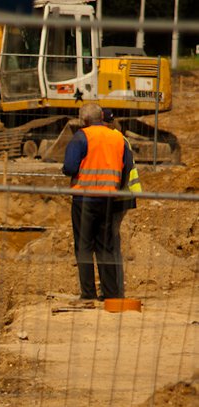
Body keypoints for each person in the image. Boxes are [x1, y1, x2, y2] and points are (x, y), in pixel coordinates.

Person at [63, 103, 135, 300]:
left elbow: (69, 167)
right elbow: (127, 165)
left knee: (84, 247)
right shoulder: (117, 138)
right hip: (109, 199)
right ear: (101, 117)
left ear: (84, 120)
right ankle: (111, 294)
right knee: (106, 246)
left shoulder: (81, 136)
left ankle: (88, 294)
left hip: (84, 199)